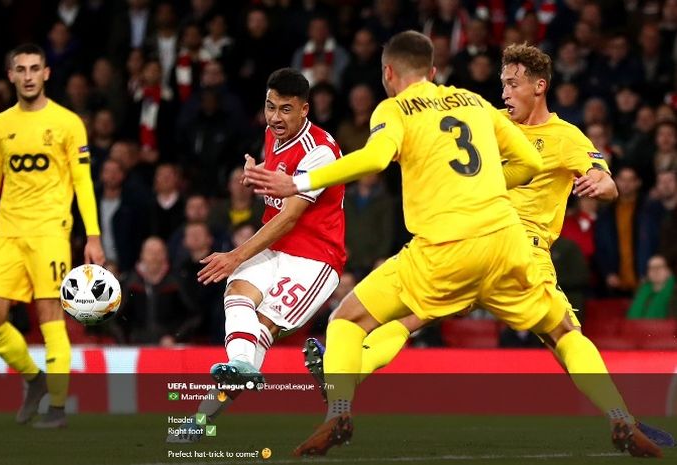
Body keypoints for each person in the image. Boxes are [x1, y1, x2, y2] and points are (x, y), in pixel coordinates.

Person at [245, 32, 663, 458]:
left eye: (513, 83)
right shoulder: (479, 108)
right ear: (432, 72)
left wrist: (297, 180)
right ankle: (620, 418)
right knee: (560, 332)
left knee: (354, 318)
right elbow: (530, 164)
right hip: (506, 249)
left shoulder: (563, 135)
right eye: (502, 84)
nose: (504, 92)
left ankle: (340, 400)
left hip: (465, 246)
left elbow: (607, 180)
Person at [167, 68, 345, 443]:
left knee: (261, 326)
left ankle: (199, 422)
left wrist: (234, 255)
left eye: (285, 109)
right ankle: (241, 367)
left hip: (313, 259)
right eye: (269, 107)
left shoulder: (321, 152)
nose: (275, 117)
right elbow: (280, 179)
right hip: (276, 249)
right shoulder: (272, 134)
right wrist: (258, 174)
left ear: (304, 110)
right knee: (237, 295)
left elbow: (290, 216)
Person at [0, 43, 105, 428]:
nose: (29, 75)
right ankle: (34, 381)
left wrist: (93, 236)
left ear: (47, 73)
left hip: (50, 231)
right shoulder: (0, 124)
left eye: (36, 68)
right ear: (11, 75)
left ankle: (58, 407)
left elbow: (83, 182)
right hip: (7, 232)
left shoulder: (67, 123)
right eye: (22, 69)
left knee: (50, 316)